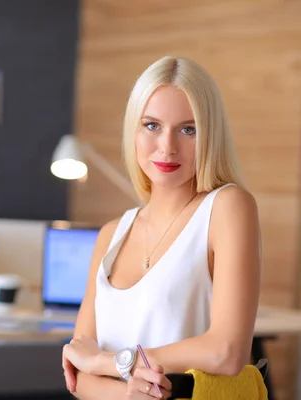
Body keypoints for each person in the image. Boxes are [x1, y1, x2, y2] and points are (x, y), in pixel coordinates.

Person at [61, 56, 262, 399]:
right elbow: (80, 374)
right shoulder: (112, 234)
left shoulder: (228, 207)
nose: (167, 147)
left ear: (210, 133)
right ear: (133, 131)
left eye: (188, 129)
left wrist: (113, 363)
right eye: (152, 125)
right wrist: (128, 393)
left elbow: (227, 352)